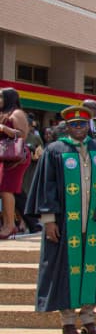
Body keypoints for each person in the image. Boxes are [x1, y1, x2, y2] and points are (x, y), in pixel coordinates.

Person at [25, 105, 96, 334]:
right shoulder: (55, 151)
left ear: (88, 125)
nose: (79, 128)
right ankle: (68, 321)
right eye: (74, 124)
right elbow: (47, 187)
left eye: (82, 124)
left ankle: (89, 318)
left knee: (92, 269)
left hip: (94, 223)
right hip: (65, 224)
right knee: (65, 271)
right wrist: (49, 220)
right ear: (67, 127)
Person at [0, 88, 31, 238]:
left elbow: (22, 135)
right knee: (3, 189)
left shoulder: (17, 113)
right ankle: (8, 224)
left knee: (6, 188)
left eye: (1, 97)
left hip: (16, 157)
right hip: (4, 156)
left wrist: (4, 129)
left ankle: (10, 225)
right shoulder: (3, 113)